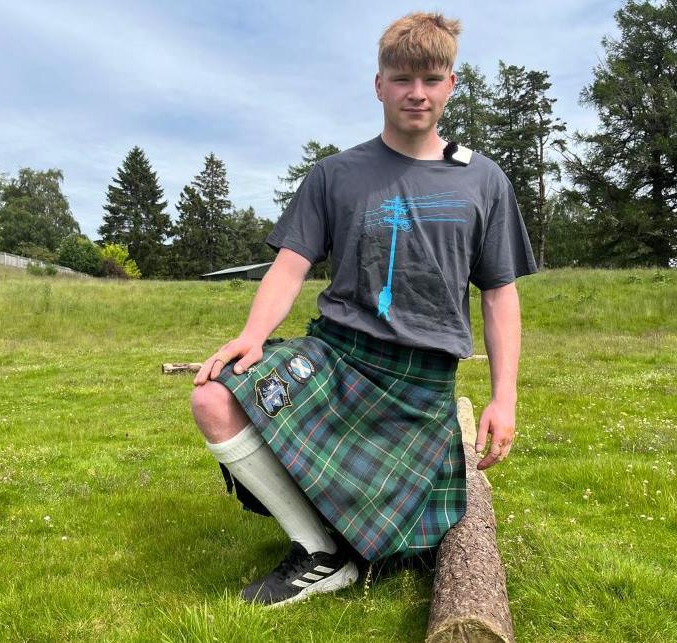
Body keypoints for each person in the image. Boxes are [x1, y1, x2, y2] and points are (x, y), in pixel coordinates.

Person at [190, 11, 537, 608]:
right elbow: (291, 264)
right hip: (338, 351)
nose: (417, 94)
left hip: (421, 378)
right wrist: (252, 335)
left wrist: (503, 397)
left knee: (407, 546)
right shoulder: (334, 174)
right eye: (402, 79)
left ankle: (354, 528)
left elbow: (499, 292)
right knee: (213, 397)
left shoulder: (484, 180)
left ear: (451, 84)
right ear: (379, 84)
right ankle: (319, 554)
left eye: (431, 79)